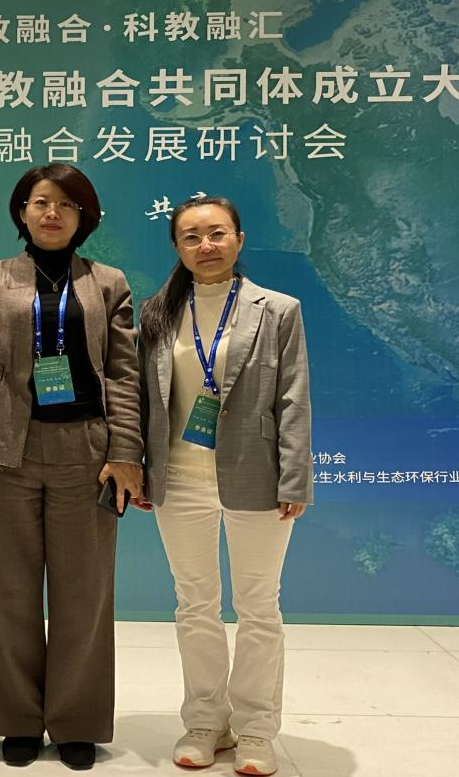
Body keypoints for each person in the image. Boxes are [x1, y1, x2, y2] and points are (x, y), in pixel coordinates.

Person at [0, 163, 143, 771]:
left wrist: (126, 451)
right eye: (40, 202)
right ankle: (17, 721)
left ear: (84, 216)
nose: (52, 213)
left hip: (87, 454)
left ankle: (77, 720)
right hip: (6, 451)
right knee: (6, 593)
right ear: (22, 212)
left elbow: (124, 373)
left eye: (66, 204)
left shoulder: (108, 282)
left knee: (84, 594)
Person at [136, 197, 311, 776]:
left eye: (216, 233)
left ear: (239, 239)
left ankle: (257, 729)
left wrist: (295, 475)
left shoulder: (278, 309)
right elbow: (143, 398)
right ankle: (206, 722)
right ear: (177, 247)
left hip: (256, 476)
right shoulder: (157, 312)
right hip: (178, 478)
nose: (205, 246)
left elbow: (293, 397)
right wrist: (138, 466)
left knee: (258, 608)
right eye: (191, 237)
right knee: (195, 606)